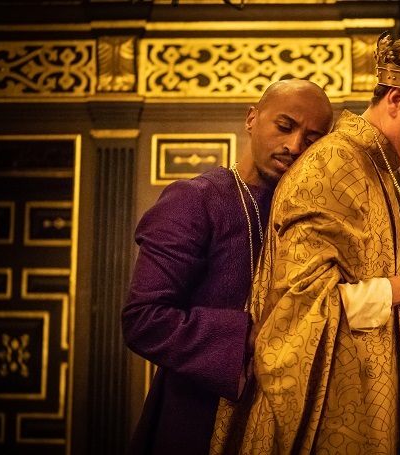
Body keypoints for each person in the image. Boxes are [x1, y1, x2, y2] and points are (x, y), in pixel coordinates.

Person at [235, 25, 400, 454]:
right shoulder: (334, 165)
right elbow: (294, 315)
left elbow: (360, 301)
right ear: (395, 100)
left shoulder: (376, 166)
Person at [121, 79, 334, 455]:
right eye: (285, 127)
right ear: (252, 118)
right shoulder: (194, 199)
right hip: (196, 418)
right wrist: (251, 337)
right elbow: (144, 319)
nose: (295, 146)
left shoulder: (310, 214)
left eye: (313, 138)